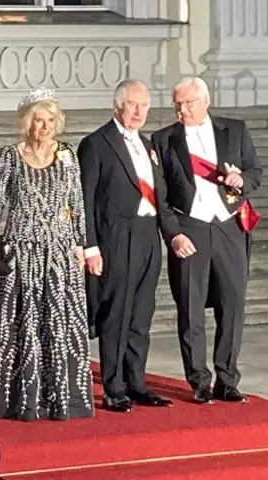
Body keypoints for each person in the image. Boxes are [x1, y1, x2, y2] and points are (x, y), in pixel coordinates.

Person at [0, 88, 93, 422]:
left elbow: (77, 204)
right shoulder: (10, 155)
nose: (44, 127)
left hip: (58, 252)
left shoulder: (68, 154)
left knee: (58, 325)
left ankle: (61, 400)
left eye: (50, 120)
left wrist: (81, 246)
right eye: (38, 120)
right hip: (21, 252)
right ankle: (17, 401)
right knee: (19, 325)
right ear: (27, 123)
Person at [151, 77, 262, 404]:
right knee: (191, 306)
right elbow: (160, 196)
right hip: (190, 227)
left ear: (205, 102)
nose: (181, 110)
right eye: (177, 104)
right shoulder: (163, 139)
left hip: (229, 226)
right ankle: (199, 380)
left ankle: (227, 379)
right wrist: (173, 234)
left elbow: (255, 172)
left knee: (232, 305)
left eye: (187, 103)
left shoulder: (235, 130)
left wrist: (241, 179)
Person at [77, 80, 179, 413]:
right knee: (116, 315)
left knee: (140, 315)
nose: (139, 112)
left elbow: (160, 197)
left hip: (148, 236)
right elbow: (85, 201)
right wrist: (90, 247)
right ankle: (113, 387)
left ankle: (136, 382)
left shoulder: (149, 145)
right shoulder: (96, 144)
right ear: (117, 105)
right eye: (133, 104)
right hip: (115, 238)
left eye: (144, 106)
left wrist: (172, 234)